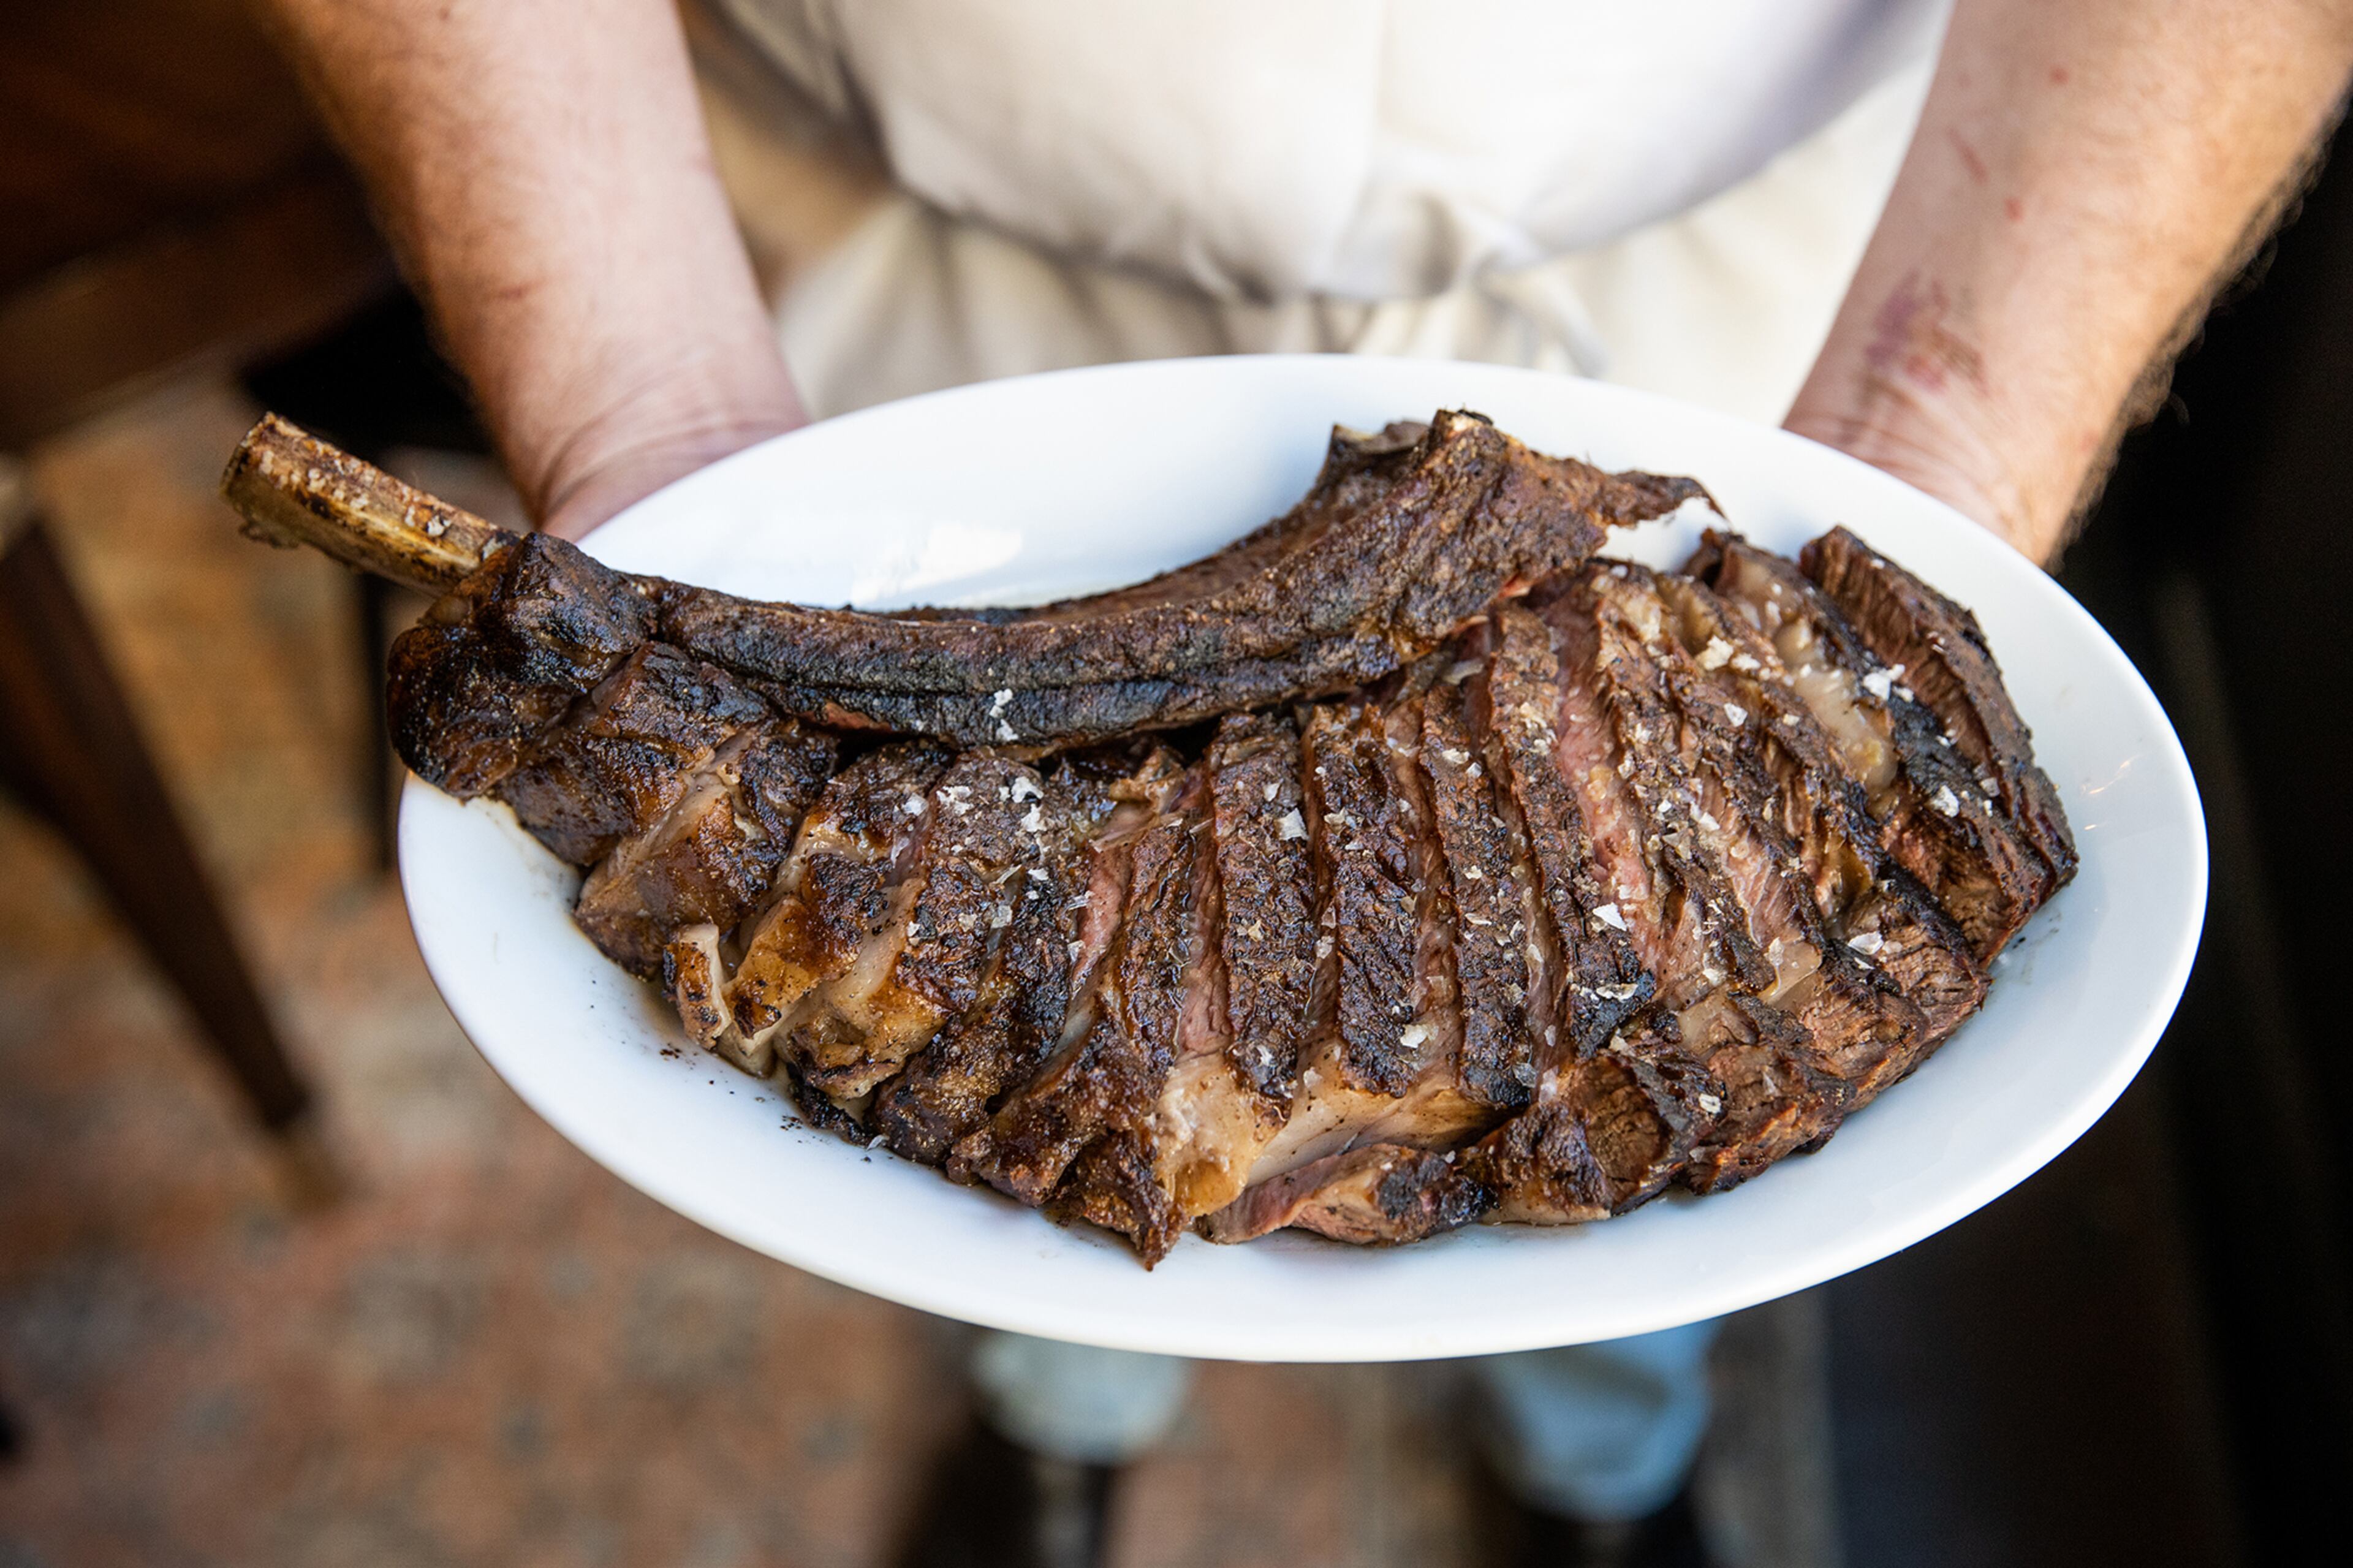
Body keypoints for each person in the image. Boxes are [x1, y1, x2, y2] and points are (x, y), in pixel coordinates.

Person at [257, 2, 2353, 1564]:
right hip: (900, 334)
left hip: (1746, 314)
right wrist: (648, 414)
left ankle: (1601, 1469)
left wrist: (1938, 439)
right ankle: (1061, 1420)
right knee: (1022, 1067)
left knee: (1642, 1047)